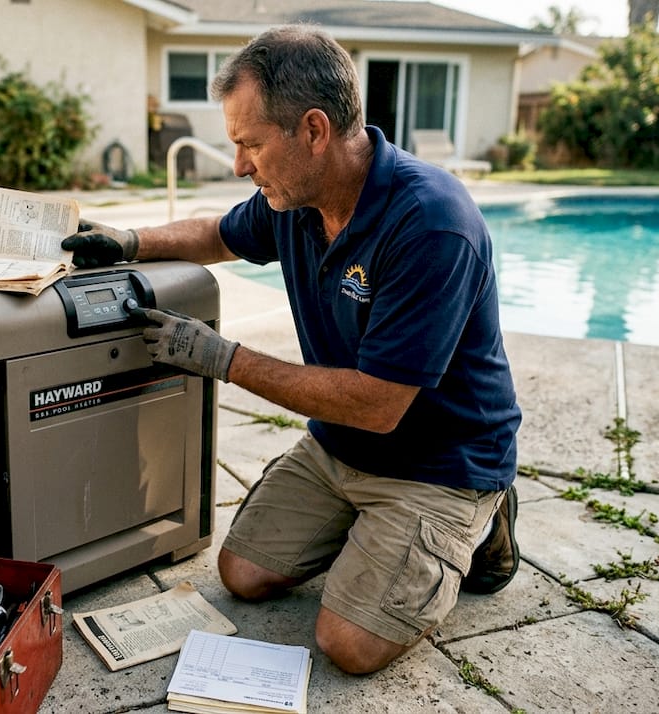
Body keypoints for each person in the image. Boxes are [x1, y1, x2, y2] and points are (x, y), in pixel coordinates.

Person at [62, 24, 521, 675]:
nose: (240, 165)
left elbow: (378, 405)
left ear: (312, 130)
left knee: (349, 644)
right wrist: (127, 242)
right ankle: (372, 531)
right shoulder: (294, 199)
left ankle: (483, 512)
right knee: (242, 573)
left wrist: (221, 357)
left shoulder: (432, 225)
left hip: (440, 459)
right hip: (343, 447)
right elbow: (215, 235)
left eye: (250, 143)